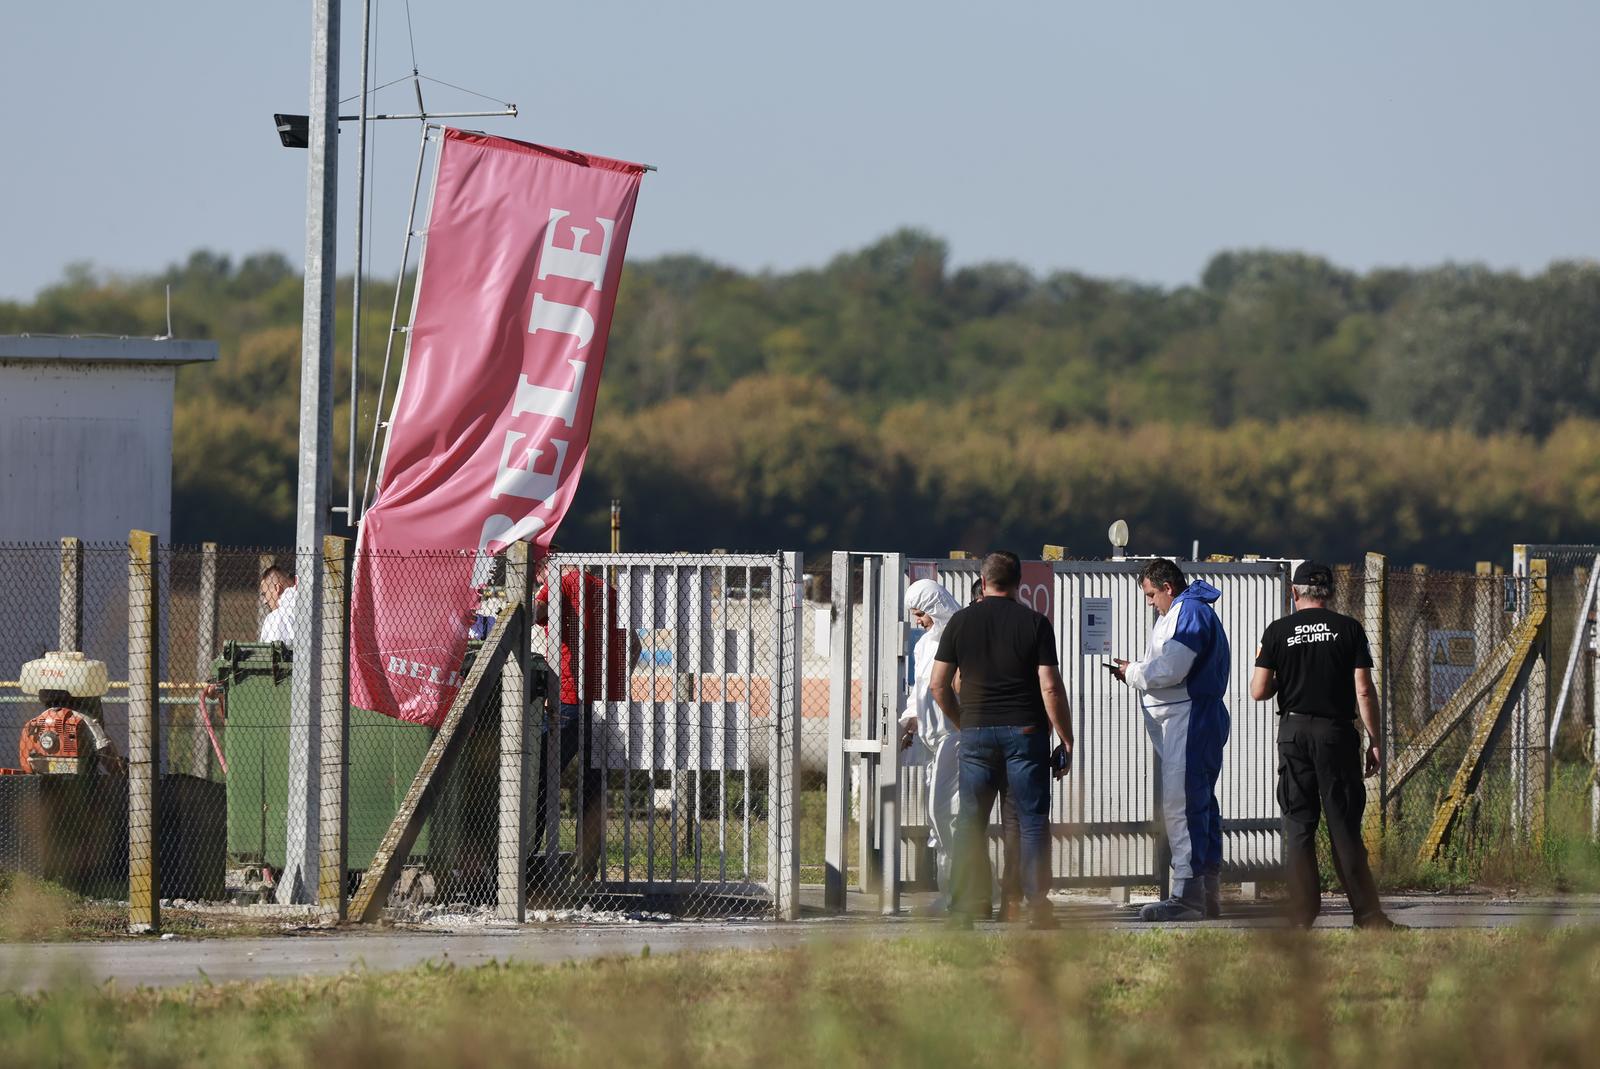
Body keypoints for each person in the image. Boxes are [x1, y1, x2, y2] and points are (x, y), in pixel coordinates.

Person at [1251, 561, 1399, 930]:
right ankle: (1368, 916)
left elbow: (1258, 691)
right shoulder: (1348, 629)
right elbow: (1363, 689)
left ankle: (1301, 916)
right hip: (1336, 735)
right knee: (1343, 825)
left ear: (1294, 592)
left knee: (1299, 826)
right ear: (1329, 592)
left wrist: (1284, 679)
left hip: (1294, 732)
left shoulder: (1277, 632)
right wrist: (1376, 740)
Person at [931, 551, 1073, 930]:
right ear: (1019, 582)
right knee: (1030, 821)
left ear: (983, 578)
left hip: (976, 733)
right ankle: (1036, 906)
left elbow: (938, 685)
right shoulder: (1035, 623)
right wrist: (1066, 738)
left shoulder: (960, 623)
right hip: (1026, 734)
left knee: (969, 822)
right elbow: (1050, 687)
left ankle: (964, 907)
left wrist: (964, 722)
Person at [1110, 558, 1230, 922]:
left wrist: (1132, 672)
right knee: (1200, 803)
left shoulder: (1187, 611)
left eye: (1150, 595)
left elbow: (1172, 669)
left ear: (1167, 588)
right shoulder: (1187, 611)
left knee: (1182, 805)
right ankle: (1205, 892)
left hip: (1188, 718)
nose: (1149, 603)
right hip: (1193, 716)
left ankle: (1187, 894)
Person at [531, 548, 638, 881]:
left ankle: (528, 859)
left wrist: (537, 591)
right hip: (602, 701)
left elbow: (534, 614)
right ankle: (588, 868)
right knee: (592, 786)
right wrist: (615, 682)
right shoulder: (608, 590)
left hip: (567, 697)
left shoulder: (557, 580)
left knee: (542, 779)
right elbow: (632, 644)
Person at [897, 579, 966, 911]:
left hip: (955, 737)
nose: (918, 621)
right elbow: (919, 691)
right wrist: (910, 721)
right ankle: (965, 891)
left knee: (946, 815)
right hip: (933, 742)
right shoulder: (924, 645)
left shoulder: (961, 640)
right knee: (942, 819)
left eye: (921, 613)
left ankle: (958, 894)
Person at [258, 565, 298, 646]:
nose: (265, 601)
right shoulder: (311, 599)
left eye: (265, 594)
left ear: (277, 588)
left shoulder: (275, 618)